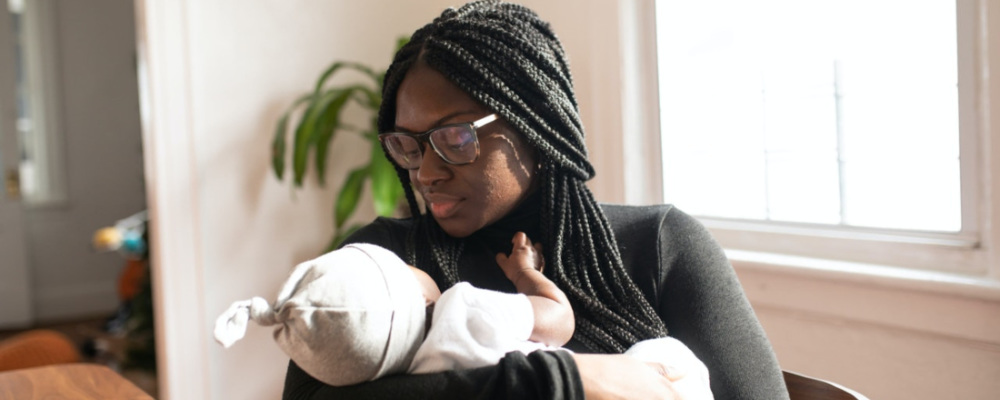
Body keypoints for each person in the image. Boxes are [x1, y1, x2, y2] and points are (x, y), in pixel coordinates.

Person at [283, 1, 789, 399]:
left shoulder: (659, 246)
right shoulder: (383, 265)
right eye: (409, 146)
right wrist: (570, 383)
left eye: (455, 139)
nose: (426, 173)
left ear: (534, 126)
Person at [216, 237, 711, 399]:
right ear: (412, 297)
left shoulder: (402, 375)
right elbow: (558, 322)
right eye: (405, 268)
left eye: (456, 135)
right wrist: (525, 275)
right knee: (665, 358)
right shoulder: (462, 310)